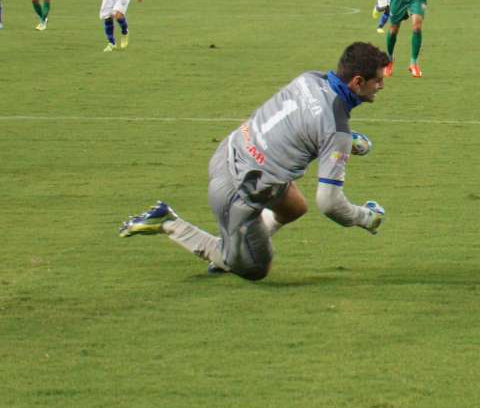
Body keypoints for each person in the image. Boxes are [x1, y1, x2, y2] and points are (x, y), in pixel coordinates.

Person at [118, 41, 390, 281]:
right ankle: (168, 221)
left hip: (232, 150)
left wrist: (347, 140)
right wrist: (366, 218)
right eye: (377, 80)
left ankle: (241, 242)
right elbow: (330, 204)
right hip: (237, 191)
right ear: (356, 82)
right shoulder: (335, 129)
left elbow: (307, 121)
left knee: (294, 207)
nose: (381, 85)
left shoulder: (310, 79)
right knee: (253, 268)